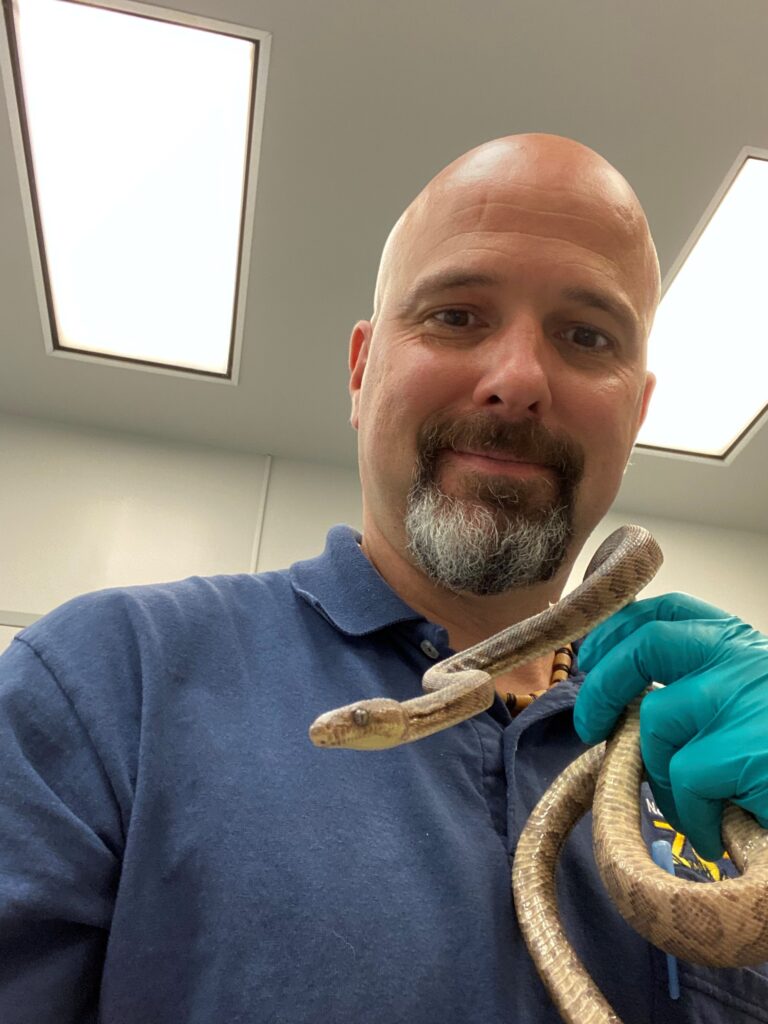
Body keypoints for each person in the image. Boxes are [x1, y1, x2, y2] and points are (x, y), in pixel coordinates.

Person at [1, 134, 766, 1024]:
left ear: (635, 416)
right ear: (362, 371)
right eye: (456, 315)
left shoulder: (692, 737)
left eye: (586, 336)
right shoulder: (109, 679)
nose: (517, 380)